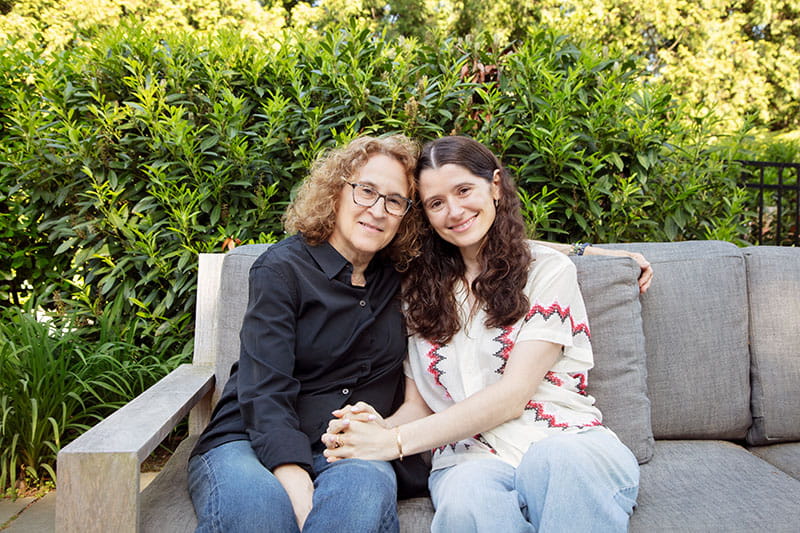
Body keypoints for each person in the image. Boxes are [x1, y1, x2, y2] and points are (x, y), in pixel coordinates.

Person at [322, 135, 641, 532]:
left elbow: (512, 395)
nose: (454, 211)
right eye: (436, 203)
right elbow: (420, 405)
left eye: (464, 190)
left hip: (564, 442)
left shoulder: (547, 272)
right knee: (465, 503)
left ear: (494, 186)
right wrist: (375, 429)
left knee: (556, 461)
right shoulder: (416, 290)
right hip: (470, 458)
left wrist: (398, 442)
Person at [187, 134, 424, 533]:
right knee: (258, 513)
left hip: (354, 449)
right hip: (250, 438)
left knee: (360, 498)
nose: (378, 210)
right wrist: (296, 482)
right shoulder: (281, 270)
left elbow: (476, 235)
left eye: (394, 200)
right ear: (336, 192)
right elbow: (264, 391)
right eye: (365, 191)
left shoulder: (404, 277)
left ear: (406, 215)